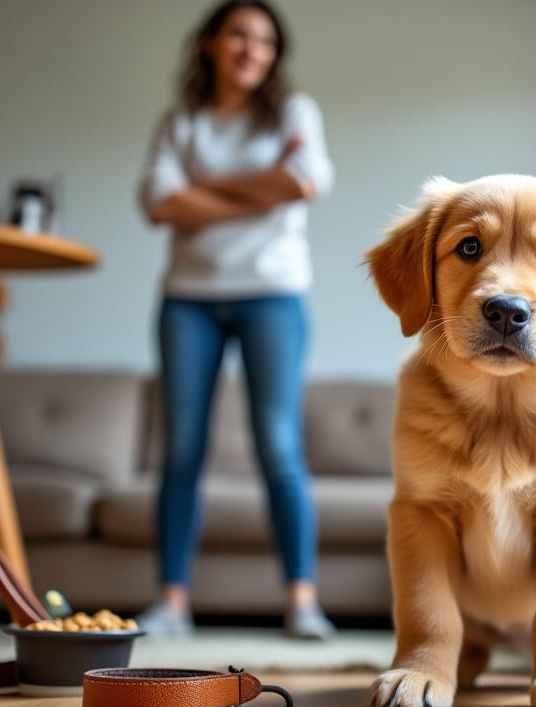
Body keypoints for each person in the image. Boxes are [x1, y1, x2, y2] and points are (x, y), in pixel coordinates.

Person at [135, 0, 335, 640]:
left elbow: (304, 183)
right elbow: (160, 203)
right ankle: (172, 601)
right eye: (240, 36)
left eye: (266, 42)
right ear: (213, 44)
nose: (253, 50)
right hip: (187, 300)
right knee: (182, 450)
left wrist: (205, 189)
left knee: (278, 446)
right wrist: (263, 185)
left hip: (273, 296)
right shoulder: (181, 121)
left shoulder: (294, 113)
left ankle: (301, 601)